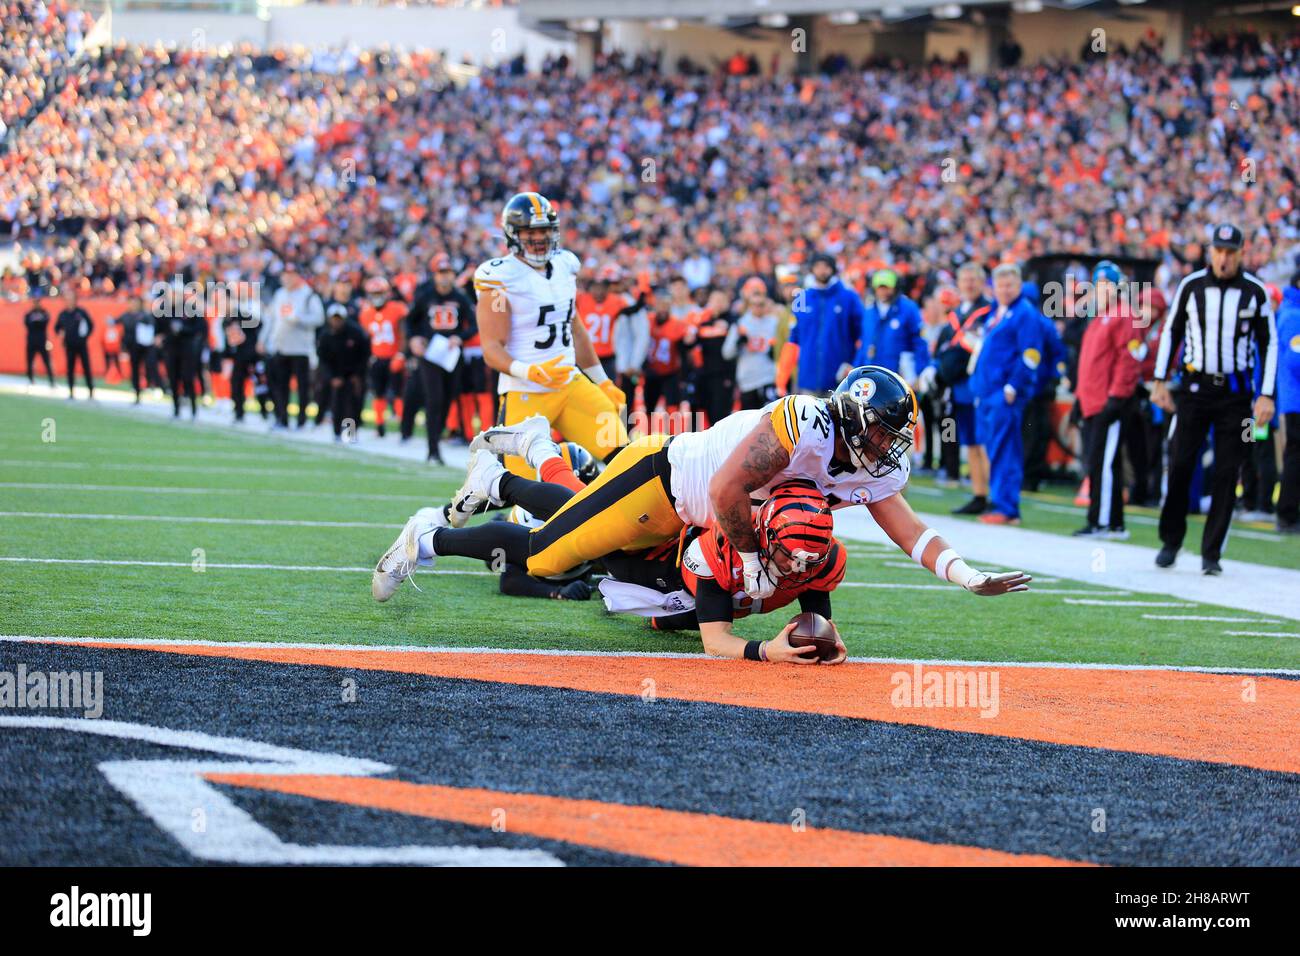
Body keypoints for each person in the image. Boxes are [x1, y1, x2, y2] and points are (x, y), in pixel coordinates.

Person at [373, 366, 1030, 608]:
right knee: (547, 554)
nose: (891, 446)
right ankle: (427, 538)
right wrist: (750, 563)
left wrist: (967, 577)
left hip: (695, 516)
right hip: (662, 484)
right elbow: (724, 493)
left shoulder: (873, 462)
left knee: (587, 538)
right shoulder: (801, 425)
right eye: (885, 432)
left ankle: (509, 472)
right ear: (854, 420)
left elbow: (908, 529)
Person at [471, 192, 627, 481]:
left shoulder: (566, 265)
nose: (539, 238)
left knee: (627, 460)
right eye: (531, 232)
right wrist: (530, 370)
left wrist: (602, 380)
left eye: (544, 230)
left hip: (570, 383)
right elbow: (491, 348)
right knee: (520, 487)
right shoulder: (500, 276)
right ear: (513, 234)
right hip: (526, 391)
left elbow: (576, 329)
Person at [1151, 223, 1278, 574]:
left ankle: (1211, 553)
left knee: (1227, 470)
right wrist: (1160, 380)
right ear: (1211, 252)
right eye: (1219, 251)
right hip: (1193, 389)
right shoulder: (1191, 287)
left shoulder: (1255, 292)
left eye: (1230, 252)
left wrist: (1266, 394)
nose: (1224, 258)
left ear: (1241, 253)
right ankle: (1171, 540)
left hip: (1236, 396)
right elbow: (1171, 331)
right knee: (1179, 463)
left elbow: (1269, 344)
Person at [1071, 261, 1143, 539]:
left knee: (1102, 463)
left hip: (1108, 402)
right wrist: (1080, 399)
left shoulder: (1123, 315)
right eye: (1098, 285)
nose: (1101, 290)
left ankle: (1102, 522)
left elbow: (1129, 358)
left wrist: (1117, 395)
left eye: (1106, 285)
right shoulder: (1099, 317)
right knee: (1101, 462)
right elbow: (1089, 363)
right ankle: (1113, 522)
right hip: (1092, 400)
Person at [968, 263, 1044, 525]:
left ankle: (1006, 506)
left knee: (1005, 449)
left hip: (1003, 393)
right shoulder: (997, 312)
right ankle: (1000, 502)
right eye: (1000, 285)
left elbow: (1032, 353)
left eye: (1009, 284)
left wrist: (1014, 386)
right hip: (988, 391)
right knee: (995, 448)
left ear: (1019, 286)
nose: (1004, 289)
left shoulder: (1024, 313)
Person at [923, 263, 993, 511]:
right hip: (956, 387)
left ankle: (993, 495)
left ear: (982, 282)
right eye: (965, 280)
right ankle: (979, 494)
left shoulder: (988, 311)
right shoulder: (956, 315)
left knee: (983, 442)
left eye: (974, 279)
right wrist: (934, 367)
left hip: (976, 386)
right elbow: (942, 346)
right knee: (971, 442)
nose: (969, 284)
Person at [405, 255, 473, 464]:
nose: (444, 278)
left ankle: (436, 439)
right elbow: (410, 321)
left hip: (451, 356)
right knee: (433, 399)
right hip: (431, 355)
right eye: (441, 274)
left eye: (448, 274)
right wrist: (414, 339)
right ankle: (432, 448)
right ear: (434, 276)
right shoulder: (425, 296)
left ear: (453, 275)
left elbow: (474, 324)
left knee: (447, 399)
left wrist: (459, 337)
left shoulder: (460, 297)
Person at [777, 252, 864, 396]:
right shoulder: (802, 297)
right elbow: (793, 340)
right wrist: (782, 378)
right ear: (812, 269)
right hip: (807, 378)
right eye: (818, 266)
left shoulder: (849, 297)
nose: (822, 270)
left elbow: (862, 336)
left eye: (826, 266)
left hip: (839, 379)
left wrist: (853, 364)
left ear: (833, 269)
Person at [259, 263, 324, 430]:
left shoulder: (308, 295)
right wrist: (263, 339)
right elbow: (270, 319)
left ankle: (302, 420)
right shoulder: (280, 294)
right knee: (280, 385)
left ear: (298, 276)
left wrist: (299, 319)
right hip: (281, 346)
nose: (286, 278)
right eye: (285, 274)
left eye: (290, 274)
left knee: (303, 387)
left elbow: (319, 319)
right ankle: (282, 418)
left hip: (301, 348)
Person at [853, 268, 928, 382]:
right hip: (871, 375)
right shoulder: (869, 311)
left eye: (887, 287)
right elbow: (864, 343)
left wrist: (920, 372)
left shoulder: (909, 308)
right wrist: (855, 369)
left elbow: (919, 342)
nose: (883, 291)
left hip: (899, 376)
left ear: (895, 287)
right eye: (880, 287)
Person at [358, 275, 407, 438]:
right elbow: (365, 338)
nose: (377, 297)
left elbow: (403, 333)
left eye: (379, 293)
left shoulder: (397, 308)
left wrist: (401, 354)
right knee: (378, 392)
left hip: (394, 357)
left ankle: (403, 426)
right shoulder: (365, 313)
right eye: (374, 293)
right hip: (377, 358)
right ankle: (379, 425)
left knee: (398, 393)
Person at [316, 303, 371, 442]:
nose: (336, 322)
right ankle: (336, 432)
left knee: (353, 405)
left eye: (339, 319)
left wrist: (357, 375)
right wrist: (332, 377)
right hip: (335, 374)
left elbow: (364, 355)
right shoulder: (325, 336)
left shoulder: (356, 332)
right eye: (334, 319)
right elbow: (323, 359)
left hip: (354, 374)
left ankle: (350, 433)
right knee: (336, 403)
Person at [724, 277, 780, 409]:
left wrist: (775, 352)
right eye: (754, 305)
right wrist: (738, 344)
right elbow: (727, 353)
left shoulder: (774, 323)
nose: (757, 308)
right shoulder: (740, 324)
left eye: (761, 304)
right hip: (747, 380)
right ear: (749, 305)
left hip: (768, 377)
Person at [1276, 273, 1300, 534]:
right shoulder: (1294, 316)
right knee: (1293, 455)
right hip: (1295, 400)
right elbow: (1296, 360)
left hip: (1290, 398)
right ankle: (1286, 513)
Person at [54, 287, 94, 400]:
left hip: (81, 345)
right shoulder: (63, 314)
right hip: (69, 345)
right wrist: (60, 333)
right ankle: (71, 391)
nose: (69, 301)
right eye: (67, 299)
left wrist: (84, 337)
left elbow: (90, 325)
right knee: (70, 369)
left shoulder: (81, 312)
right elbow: (57, 328)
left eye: (71, 298)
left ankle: (90, 391)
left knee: (86, 367)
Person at [23, 297, 54, 388]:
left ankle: (51, 380)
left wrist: (36, 321)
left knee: (47, 361)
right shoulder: (29, 314)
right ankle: (30, 379)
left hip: (42, 341)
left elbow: (44, 323)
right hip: (31, 341)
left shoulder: (44, 313)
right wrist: (37, 321)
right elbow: (28, 324)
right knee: (30, 361)